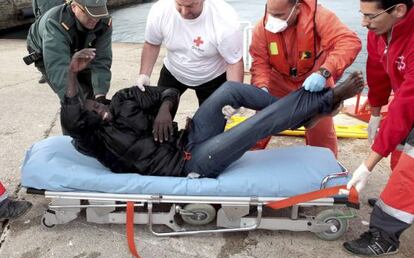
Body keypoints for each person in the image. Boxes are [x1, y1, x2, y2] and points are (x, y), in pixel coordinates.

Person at [61, 48, 364, 178]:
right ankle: (324, 101)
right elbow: (72, 118)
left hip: (190, 136)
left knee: (230, 91)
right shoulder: (94, 141)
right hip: (189, 164)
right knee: (255, 125)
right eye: (93, 111)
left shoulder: (124, 100)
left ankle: (303, 115)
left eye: (98, 103)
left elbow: (167, 92)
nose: (101, 108)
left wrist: (166, 108)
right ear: (85, 121)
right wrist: (72, 74)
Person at [343, 0, 414, 257]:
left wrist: (368, 164)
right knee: (398, 150)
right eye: (361, 14)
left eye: (370, 16)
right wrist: (375, 113)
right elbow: (377, 71)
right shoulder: (379, 33)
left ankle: (384, 236)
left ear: (399, 10)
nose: (363, 23)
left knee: (410, 171)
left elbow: (407, 104)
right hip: (408, 97)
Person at [249, 0, 362, 156]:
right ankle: (249, 159)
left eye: (279, 14)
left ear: (297, 9)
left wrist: (324, 72)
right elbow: (260, 62)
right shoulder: (262, 29)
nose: (272, 19)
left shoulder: (319, 17)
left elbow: (349, 42)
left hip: (315, 81)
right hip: (278, 82)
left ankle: (325, 168)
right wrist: (261, 87)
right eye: (270, 13)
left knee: (321, 132)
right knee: (259, 124)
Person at [137, 0, 244, 106]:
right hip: (174, 71)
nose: (184, 12)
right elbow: (152, 44)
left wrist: (233, 97)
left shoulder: (225, 19)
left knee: (208, 125)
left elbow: (234, 62)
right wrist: (144, 75)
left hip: (212, 77)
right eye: (179, 4)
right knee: (156, 115)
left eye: (190, 6)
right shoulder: (160, 10)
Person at [26, 0, 112, 104]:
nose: (95, 19)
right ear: (74, 7)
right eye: (89, 14)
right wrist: (76, 103)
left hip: (78, 45)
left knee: (92, 93)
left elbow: (102, 59)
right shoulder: (55, 23)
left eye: (98, 13)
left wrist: (101, 96)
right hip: (45, 50)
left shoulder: (104, 21)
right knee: (75, 99)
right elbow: (58, 68)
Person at [32, 0, 65, 84]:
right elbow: (35, 11)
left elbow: (64, 9)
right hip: (43, 27)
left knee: (60, 50)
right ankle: (45, 74)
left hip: (58, 26)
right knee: (42, 51)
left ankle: (61, 73)